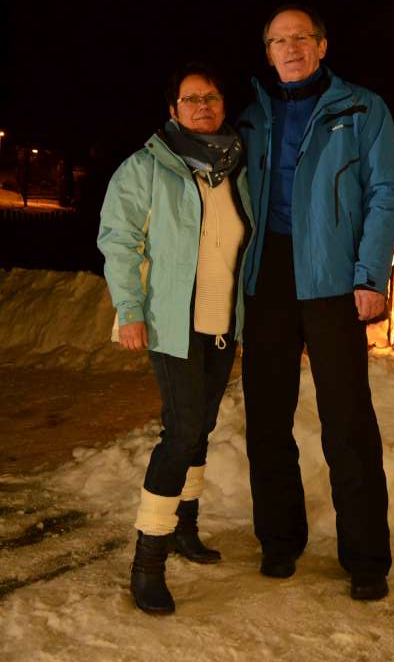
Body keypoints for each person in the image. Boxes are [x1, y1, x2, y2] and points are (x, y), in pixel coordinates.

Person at [238, 5, 394, 601]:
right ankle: (279, 540)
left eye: (301, 38)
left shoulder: (362, 108)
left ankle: (366, 558)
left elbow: (384, 192)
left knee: (348, 421)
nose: (290, 48)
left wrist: (370, 275)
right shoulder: (252, 115)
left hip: (333, 281)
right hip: (268, 281)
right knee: (266, 418)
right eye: (278, 40)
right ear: (267, 52)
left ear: (322, 45)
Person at [98, 63, 253, 615]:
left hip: (222, 321)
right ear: (173, 110)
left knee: (201, 426)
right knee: (182, 431)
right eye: (191, 99)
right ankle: (148, 561)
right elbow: (119, 239)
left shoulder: (235, 166)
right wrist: (130, 309)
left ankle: (186, 527)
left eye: (211, 97)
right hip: (172, 320)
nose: (202, 106)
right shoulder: (146, 167)